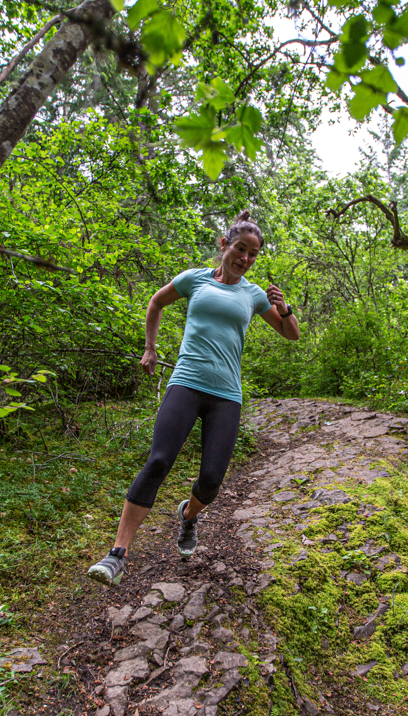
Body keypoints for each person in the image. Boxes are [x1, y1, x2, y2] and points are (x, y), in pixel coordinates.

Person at [87, 211, 300, 585]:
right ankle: (117, 555)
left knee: (212, 479)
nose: (245, 258)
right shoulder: (195, 280)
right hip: (186, 382)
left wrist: (285, 308)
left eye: (253, 254)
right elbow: (155, 303)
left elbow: (290, 334)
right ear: (225, 245)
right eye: (240, 248)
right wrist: (150, 348)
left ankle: (188, 516)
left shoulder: (252, 294)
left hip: (226, 395)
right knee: (158, 461)